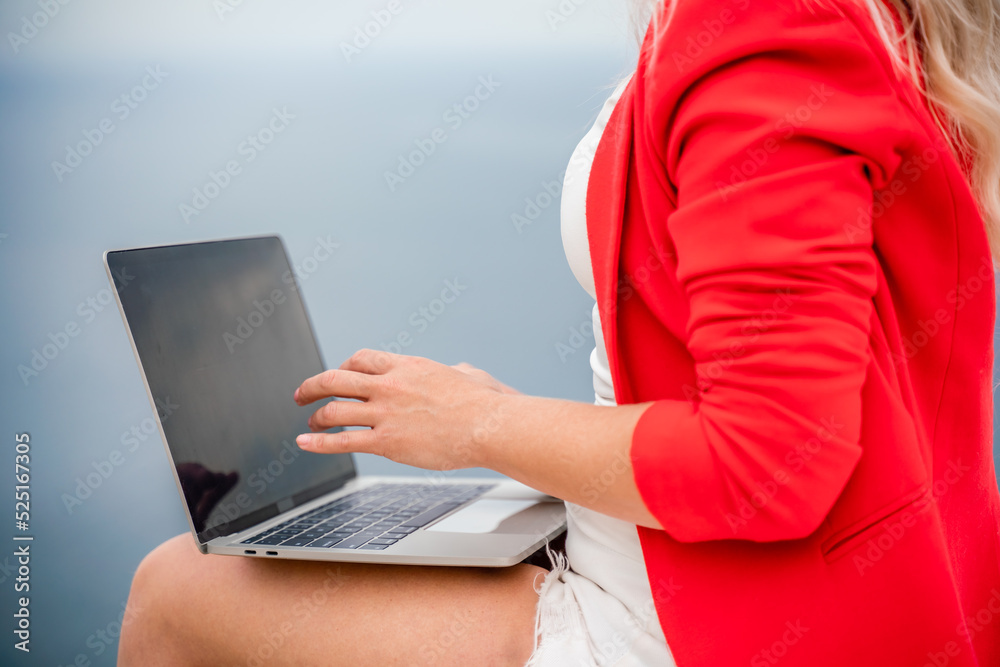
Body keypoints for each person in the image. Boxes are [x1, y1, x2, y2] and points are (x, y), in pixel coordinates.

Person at [118, 0, 1000, 664]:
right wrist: (518, 428)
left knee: (172, 595)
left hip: (697, 619)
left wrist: (476, 425)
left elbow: (774, 460)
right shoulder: (862, 22)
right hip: (798, 582)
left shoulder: (756, 23)